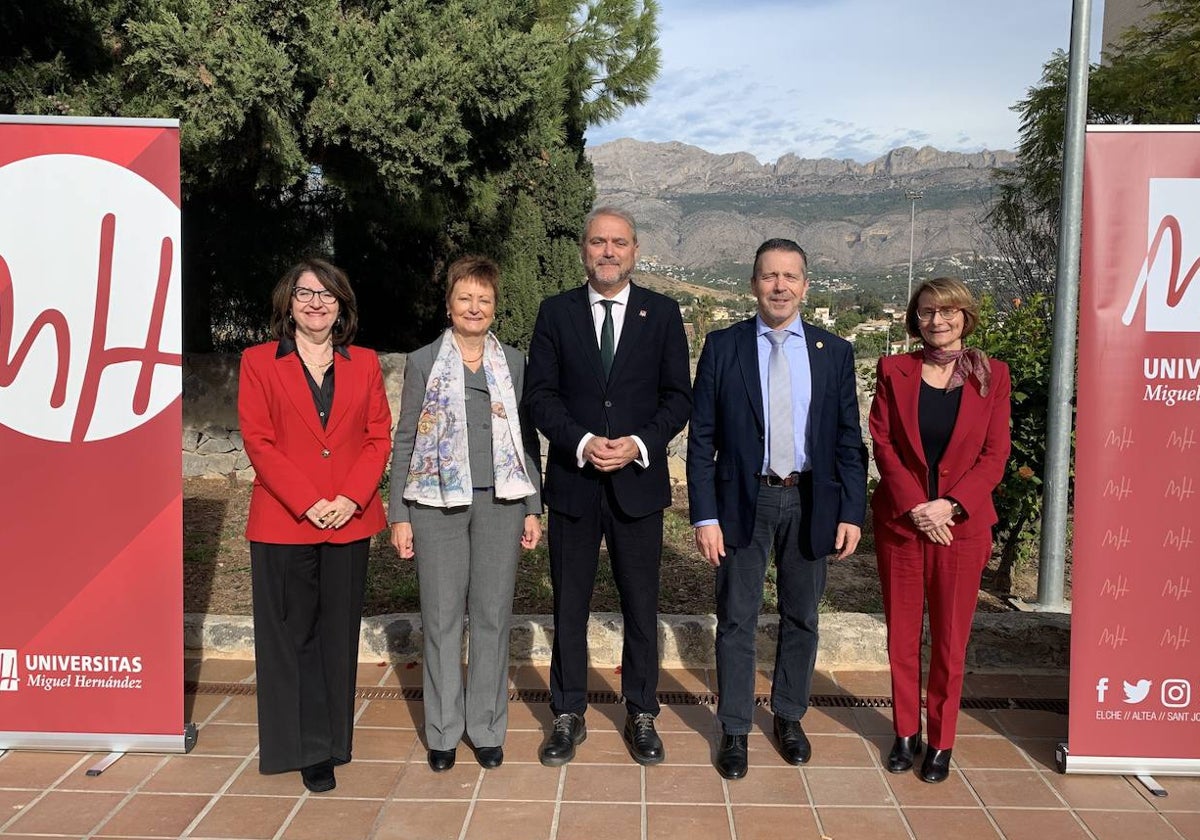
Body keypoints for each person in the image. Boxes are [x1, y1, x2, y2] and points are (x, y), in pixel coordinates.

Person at [687, 238, 867, 781]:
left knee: (802, 616)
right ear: (753, 285)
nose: (780, 286)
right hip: (746, 499)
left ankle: (789, 715)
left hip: (811, 497)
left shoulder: (833, 352)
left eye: (790, 276)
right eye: (769, 276)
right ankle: (736, 727)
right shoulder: (723, 347)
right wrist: (705, 516)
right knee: (737, 618)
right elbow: (702, 439)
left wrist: (852, 512)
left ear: (806, 286)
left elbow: (846, 440)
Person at [522, 206, 692, 767]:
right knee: (569, 603)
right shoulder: (555, 313)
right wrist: (583, 441)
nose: (609, 252)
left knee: (641, 605)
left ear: (635, 251)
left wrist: (639, 444)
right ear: (583, 250)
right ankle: (567, 713)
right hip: (574, 481)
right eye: (598, 241)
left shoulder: (662, 314)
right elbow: (540, 396)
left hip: (638, 485)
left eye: (619, 242)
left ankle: (641, 712)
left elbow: (678, 399)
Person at [238, 258, 392, 793]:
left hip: (349, 521)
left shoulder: (365, 363)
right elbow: (258, 440)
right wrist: (309, 501)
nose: (316, 303)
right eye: (306, 294)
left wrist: (350, 498)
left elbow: (378, 437)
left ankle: (333, 742)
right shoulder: (259, 362)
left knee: (336, 634)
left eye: (328, 295)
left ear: (342, 306)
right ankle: (302, 748)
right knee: (291, 635)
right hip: (285, 520)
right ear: (289, 302)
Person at [388, 256, 543, 772]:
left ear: (495, 307)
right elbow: (406, 436)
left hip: (502, 505)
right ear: (449, 303)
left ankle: (487, 728)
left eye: (484, 299)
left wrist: (531, 507)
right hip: (436, 507)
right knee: (441, 620)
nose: (474, 307)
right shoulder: (423, 360)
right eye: (465, 298)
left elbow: (526, 442)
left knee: (494, 618)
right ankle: (443, 732)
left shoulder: (514, 363)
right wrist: (400, 514)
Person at [869, 277, 1011, 783]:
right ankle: (905, 731)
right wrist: (917, 507)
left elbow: (996, 456)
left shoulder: (991, 376)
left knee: (951, 640)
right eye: (928, 311)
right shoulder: (893, 370)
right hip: (903, 527)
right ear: (916, 318)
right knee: (902, 638)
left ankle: (941, 740)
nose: (938, 321)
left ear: (965, 317)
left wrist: (949, 505)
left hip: (962, 528)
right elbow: (882, 442)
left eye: (948, 311)